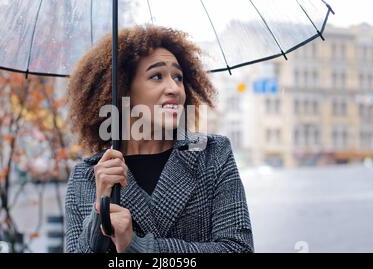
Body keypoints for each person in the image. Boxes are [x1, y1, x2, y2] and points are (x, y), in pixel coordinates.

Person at [65, 25, 254, 253]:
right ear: (122, 89)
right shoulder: (87, 176)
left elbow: (238, 249)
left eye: (178, 77)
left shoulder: (212, 154)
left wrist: (139, 247)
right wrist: (100, 216)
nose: (174, 88)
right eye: (157, 76)